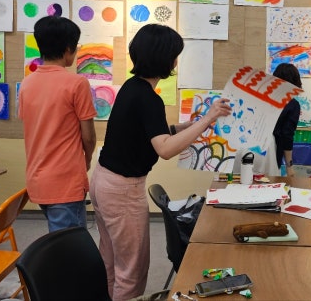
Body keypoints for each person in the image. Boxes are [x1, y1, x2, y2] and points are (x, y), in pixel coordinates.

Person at [90, 24, 231, 300]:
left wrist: (185, 127)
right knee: (131, 272)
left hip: (103, 180)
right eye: (175, 55)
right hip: (122, 191)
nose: (176, 61)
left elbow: (149, 133)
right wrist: (207, 119)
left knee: (111, 260)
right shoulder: (148, 98)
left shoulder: (132, 87)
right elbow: (165, 149)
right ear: (165, 59)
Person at [18, 16, 97, 233]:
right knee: (69, 246)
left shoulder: (27, 83)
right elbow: (88, 136)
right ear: (68, 49)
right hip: (65, 181)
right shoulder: (77, 83)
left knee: (60, 241)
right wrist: (87, 159)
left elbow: (34, 127)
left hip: (37, 178)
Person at [272, 63, 302, 177]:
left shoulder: (261, 98)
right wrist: (289, 167)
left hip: (247, 152)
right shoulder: (292, 105)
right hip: (271, 154)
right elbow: (287, 136)